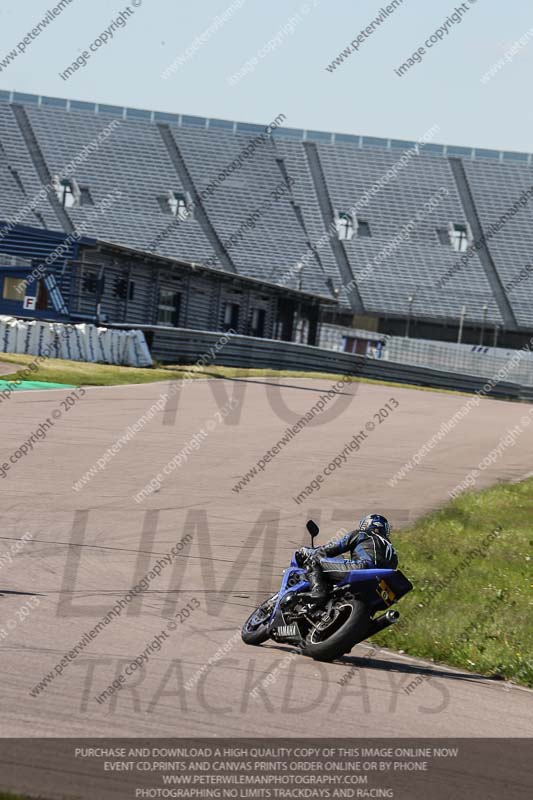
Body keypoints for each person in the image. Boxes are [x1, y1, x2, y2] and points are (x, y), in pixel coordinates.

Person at [297, 514, 398, 607]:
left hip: (362, 567)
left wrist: (308, 551)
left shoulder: (362, 534)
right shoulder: (392, 550)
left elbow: (333, 548)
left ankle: (317, 591)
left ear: (366, 524)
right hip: (382, 582)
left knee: (314, 561)